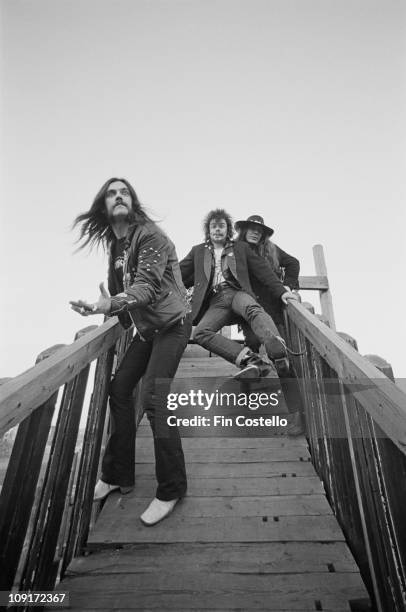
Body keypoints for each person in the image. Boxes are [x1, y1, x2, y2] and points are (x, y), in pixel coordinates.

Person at [70, 178, 192, 526]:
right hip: (146, 330)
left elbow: (147, 286)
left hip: (172, 324)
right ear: (104, 207)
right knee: (119, 389)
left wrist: (110, 303)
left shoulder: (149, 235)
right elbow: (120, 292)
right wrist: (110, 310)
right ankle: (117, 473)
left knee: (154, 397)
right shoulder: (116, 247)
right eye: (112, 193)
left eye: (124, 191)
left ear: (132, 202)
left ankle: (172, 488)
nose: (119, 195)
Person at [179, 208, 299, 380]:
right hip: (216, 300)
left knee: (252, 308)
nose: (217, 229)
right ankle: (251, 360)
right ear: (208, 230)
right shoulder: (198, 251)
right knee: (201, 333)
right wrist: (155, 286)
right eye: (214, 226)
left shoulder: (240, 248)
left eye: (221, 226)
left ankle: (277, 350)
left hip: (237, 292)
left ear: (228, 230)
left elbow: (263, 270)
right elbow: (178, 274)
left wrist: (282, 291)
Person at [235, 214, 304, 435]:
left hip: (273, 309)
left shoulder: (272, 250)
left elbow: (293, 263)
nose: (255, 232)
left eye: (259, 230)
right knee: (251, 351)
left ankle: (296, 415)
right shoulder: (236, 249)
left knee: (281, 357)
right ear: (244, 230)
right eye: (251, 229)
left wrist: (289, 287)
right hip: (250, 309)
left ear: (263, 234)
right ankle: (248, 403)